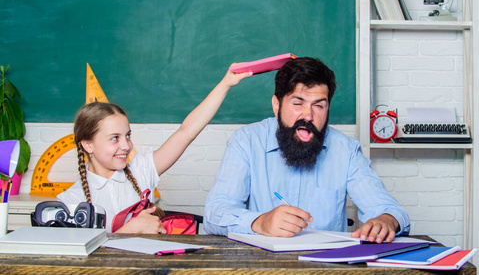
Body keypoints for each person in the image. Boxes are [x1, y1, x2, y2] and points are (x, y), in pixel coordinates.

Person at [203, 57, 410, 243]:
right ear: (277, 105)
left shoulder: (345, 150)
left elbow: (389, 210)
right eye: (298, 103)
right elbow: (215, 214)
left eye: (319, 105)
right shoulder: (246, 142)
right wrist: (260, 222)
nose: (308, 115)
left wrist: (386, 221)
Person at [57, 66, 252, 234]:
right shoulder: (70, 201)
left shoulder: (141, 170)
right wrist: (129, 230)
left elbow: (186, 132)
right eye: (114, 138)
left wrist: (225, 84)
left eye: (128, 135)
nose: (125, 145)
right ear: (87, 144)